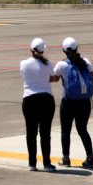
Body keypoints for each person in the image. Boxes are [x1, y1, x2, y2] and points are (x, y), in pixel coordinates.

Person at [54, 37, 93, 168]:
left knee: (65, 131)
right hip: (84, 102)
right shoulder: (86, 62)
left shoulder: (62, 65)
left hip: (69, 102)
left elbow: (55, 78)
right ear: (77, 48)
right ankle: (90, 158)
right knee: (83, 130)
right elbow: (92, 77)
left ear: (63, 50)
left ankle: (66, 159)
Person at [20, 37, 58, 172]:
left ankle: (32, 163)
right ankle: (47, 163)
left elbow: (25, 76)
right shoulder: (47, 64)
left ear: (31, 49)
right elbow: (53, 78)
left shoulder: (24, 63)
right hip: (46, 98)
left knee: (31, 133)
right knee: (45, 133)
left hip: (29, 99)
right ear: (43, 50)